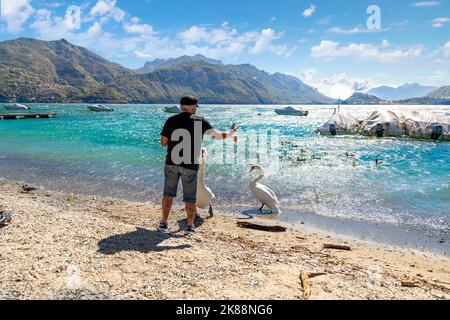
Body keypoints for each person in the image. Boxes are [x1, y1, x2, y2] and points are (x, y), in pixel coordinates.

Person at [159, 96, 238, 234]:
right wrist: (232, 132)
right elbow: (218, 136)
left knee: (168, 195)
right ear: (194, 106)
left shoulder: (171, 120)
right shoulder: (199, 121)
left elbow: (163, 142)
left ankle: (164, 224)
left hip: (171, 162)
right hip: (189, 165)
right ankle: (190, 227)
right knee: (190, 197)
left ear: (181, 106)